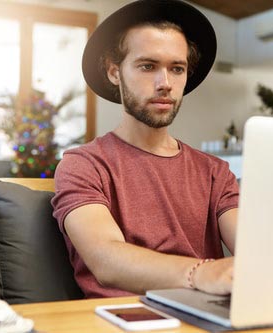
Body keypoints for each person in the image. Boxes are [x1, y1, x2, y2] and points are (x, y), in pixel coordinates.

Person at [51, 0, 239, 299]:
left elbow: (255, 249)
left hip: (203, 315)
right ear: (115, 73)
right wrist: (200, 272)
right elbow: (106, 259)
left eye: (177, 68)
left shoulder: (215, 172)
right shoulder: (84, 165)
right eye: (147, 66)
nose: (165, 83)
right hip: (120, 320)